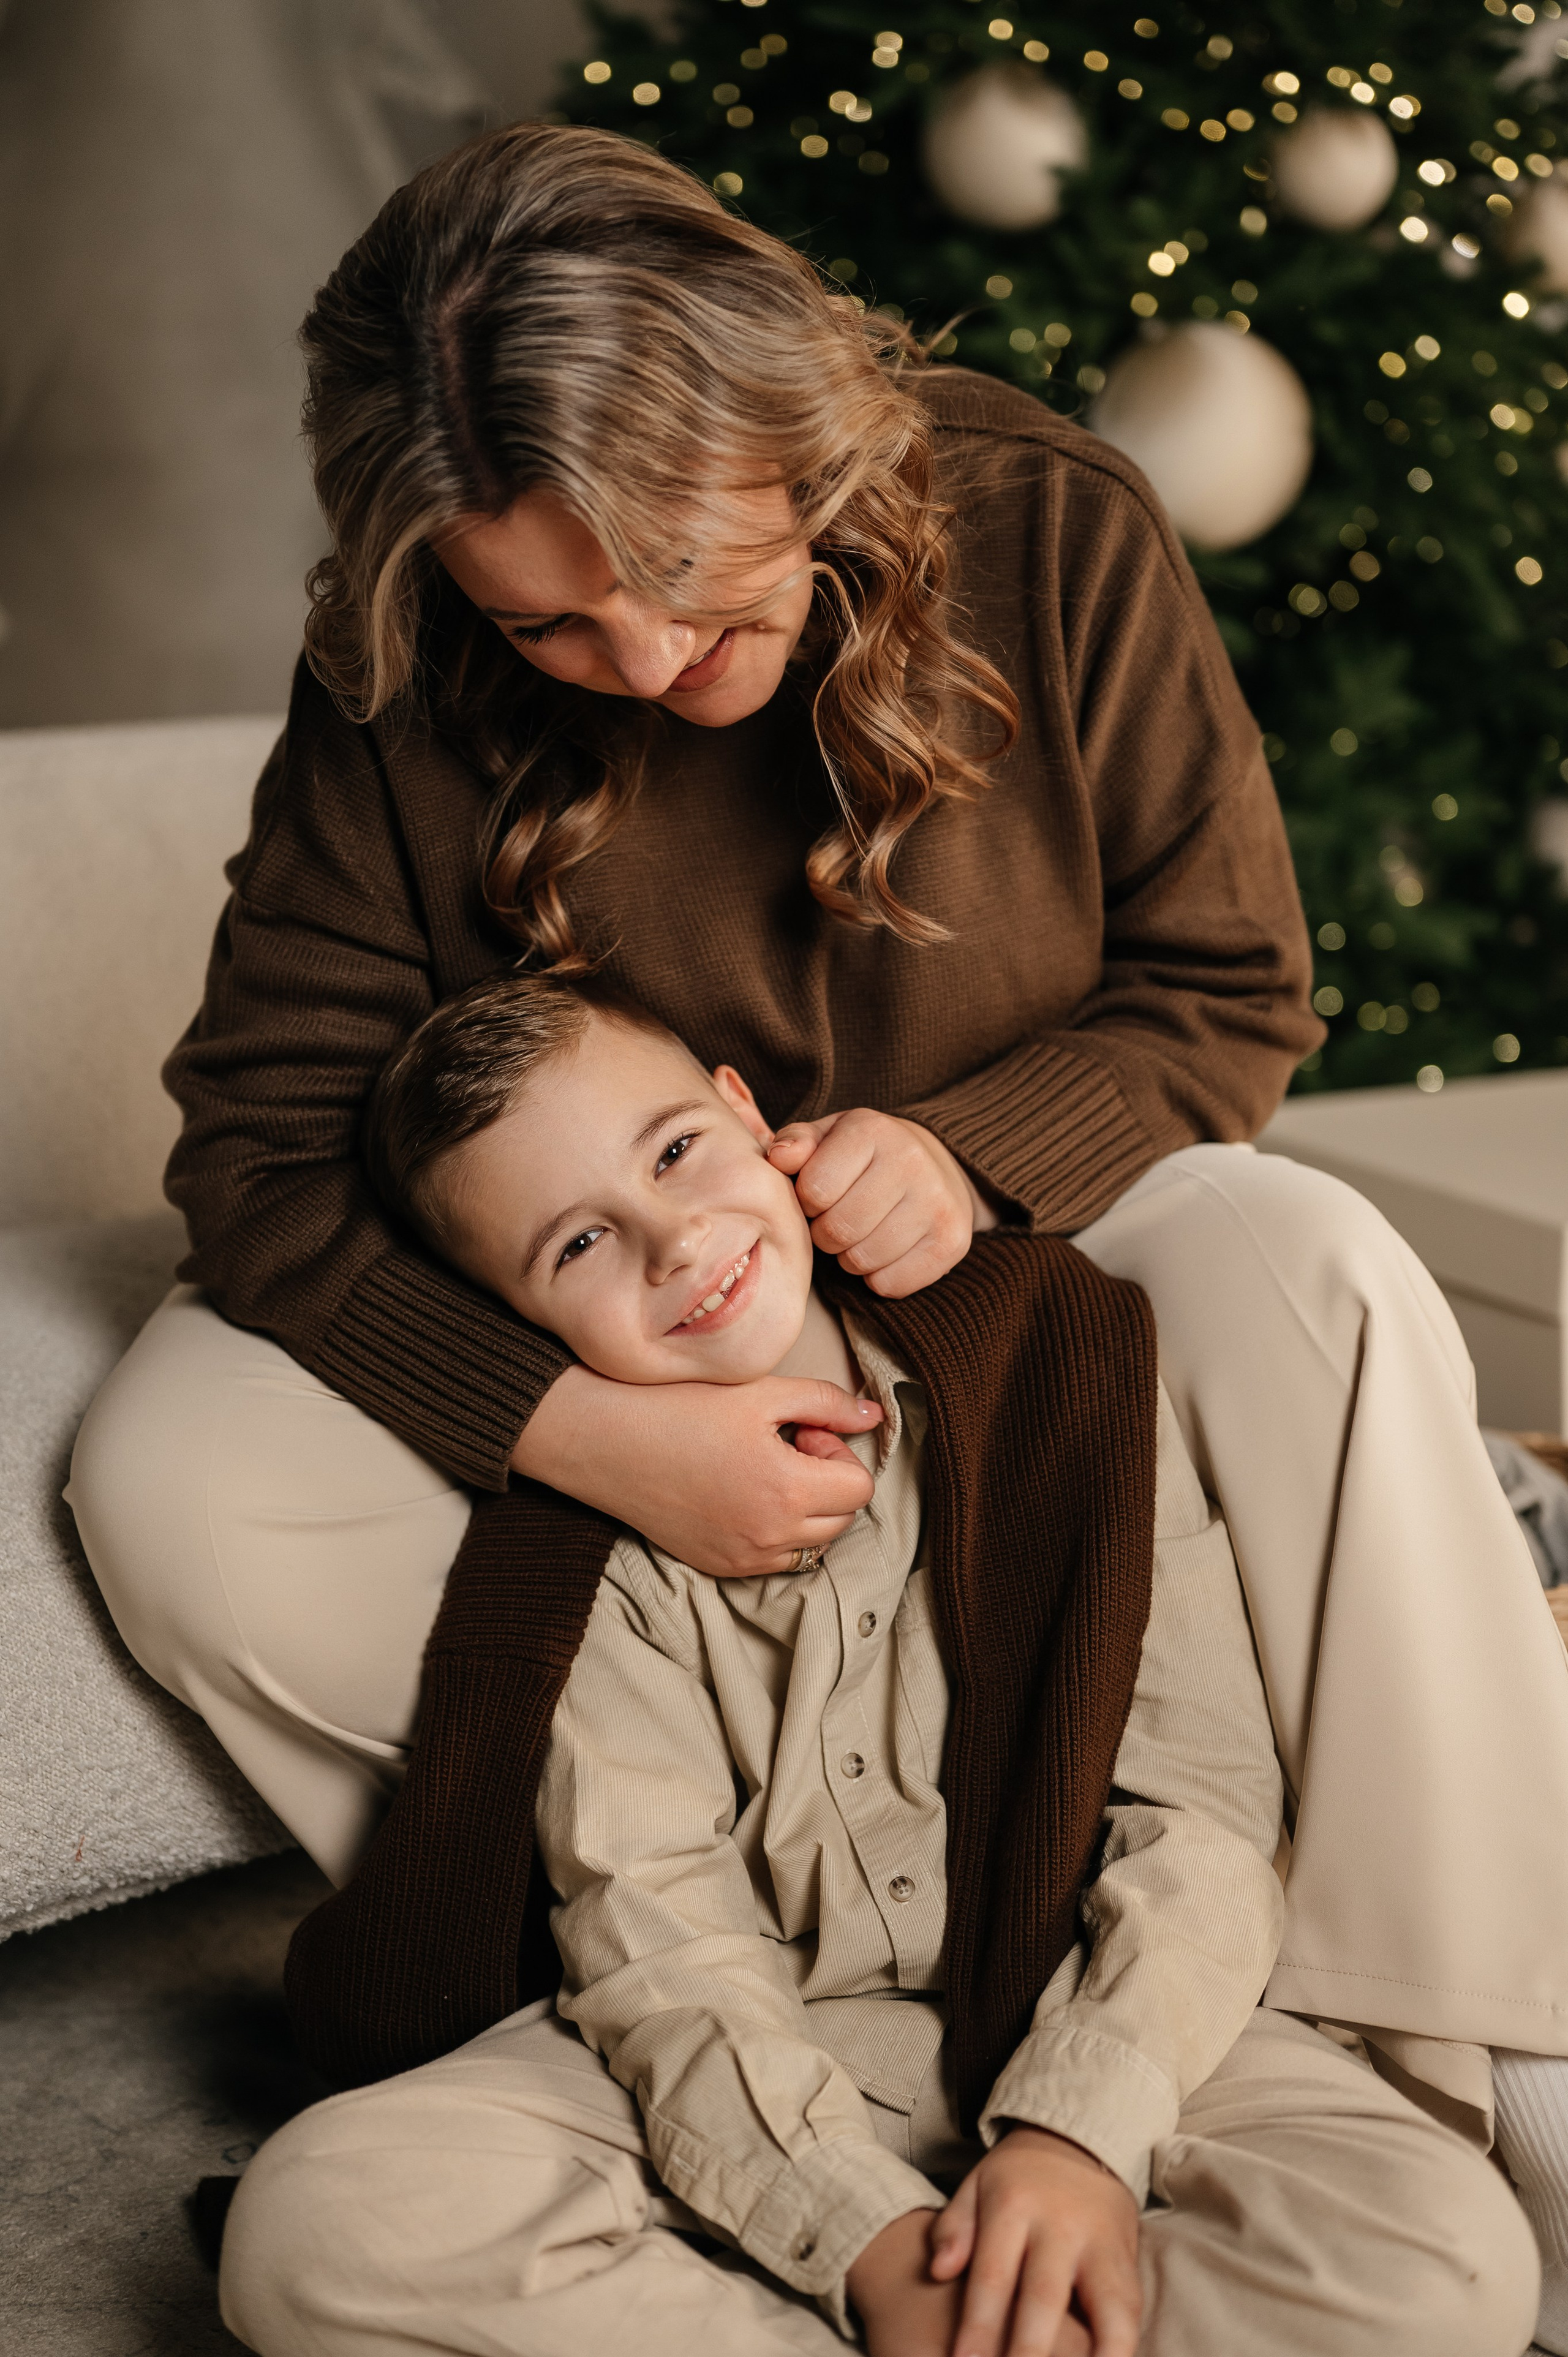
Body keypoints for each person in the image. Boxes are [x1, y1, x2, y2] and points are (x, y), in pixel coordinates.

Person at [62, 120, 1568, 2333]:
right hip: (643, 1350)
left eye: (687, 569)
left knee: (1315, 1257)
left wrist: (972, 1156)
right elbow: (262, 1147)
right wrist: (578, 1429)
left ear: (801, 425)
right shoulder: (407, 653)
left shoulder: (1055, 524)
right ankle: (663, 1967)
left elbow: (1232, 987)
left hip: (1035, 1269)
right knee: (172, 1468)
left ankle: (1432, 2035)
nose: (643, 653)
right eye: (547, 618)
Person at [219, 972, 1536, 2356]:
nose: (675, 1241)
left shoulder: (1059, 1360)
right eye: (580, 1244)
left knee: (1449, 2258)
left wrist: (1079, 2136)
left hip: (1084, 1987)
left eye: (675, 1151)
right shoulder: (570, 1551)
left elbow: (1200, 1805)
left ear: (746, 1111)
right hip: (759, 2042)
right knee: (319, 2221)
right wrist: (859, 2239)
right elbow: (659, 1938)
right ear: (514, 1321)